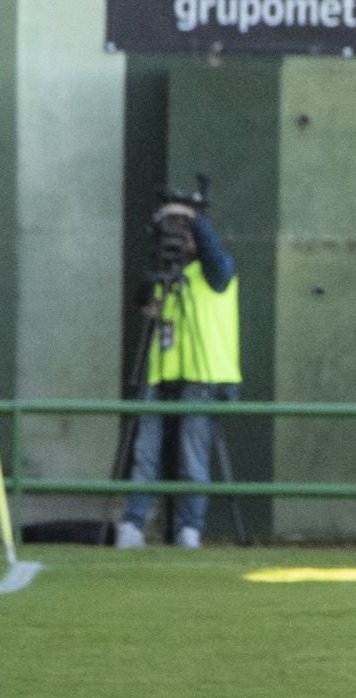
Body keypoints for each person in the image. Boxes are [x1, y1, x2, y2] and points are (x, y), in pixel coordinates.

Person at [115, 202, 240, 550]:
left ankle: (190, 529)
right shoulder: (164, 278)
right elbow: (143, 296)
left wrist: (192, 217)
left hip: (203, 377)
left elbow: (214, 254)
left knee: (192, 457)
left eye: (186, 237)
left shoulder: (216, 272)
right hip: (163, 374)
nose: (180, 244)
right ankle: (132, 525)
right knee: (145, 452)